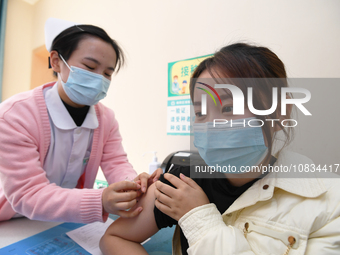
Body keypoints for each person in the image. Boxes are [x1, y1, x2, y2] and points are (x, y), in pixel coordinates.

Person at [99, 43, 340, 254]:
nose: (212, 125)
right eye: (200, 112)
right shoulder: (182, 180)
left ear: (279, 114)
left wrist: (198, 216)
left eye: (227, 108)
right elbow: (114, 237)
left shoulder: (328, 204)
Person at [0, 18, 161, 223]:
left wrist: (133, 184)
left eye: (107, 73)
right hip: (12, 219)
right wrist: (100, 200)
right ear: (56, 61)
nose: (99, 78)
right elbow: (27, 194)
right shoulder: (14, 116)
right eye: (89, 66)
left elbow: (116, 162)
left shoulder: (107, 119)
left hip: (66, 217)